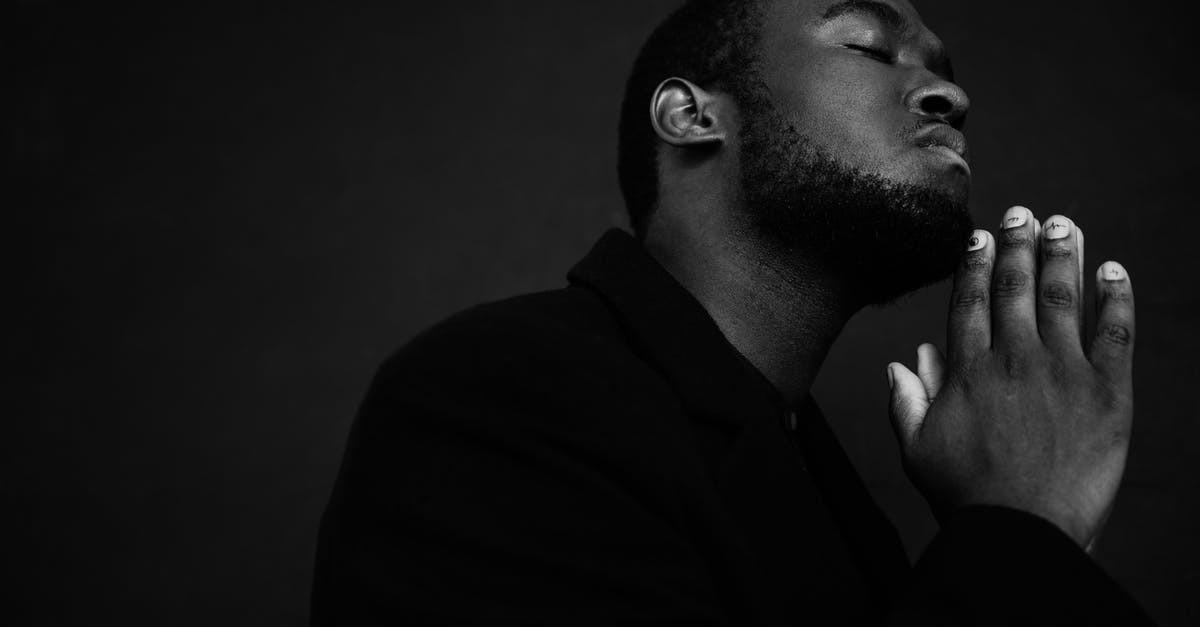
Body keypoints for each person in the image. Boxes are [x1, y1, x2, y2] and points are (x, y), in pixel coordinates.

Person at [311, 0, 1151, 624]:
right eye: (867, 46)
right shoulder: (496, 396)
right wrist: (1019, 530)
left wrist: (1012, 539)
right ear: (691, 115)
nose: (945, 94)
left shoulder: (838, 511)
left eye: (945, 69)